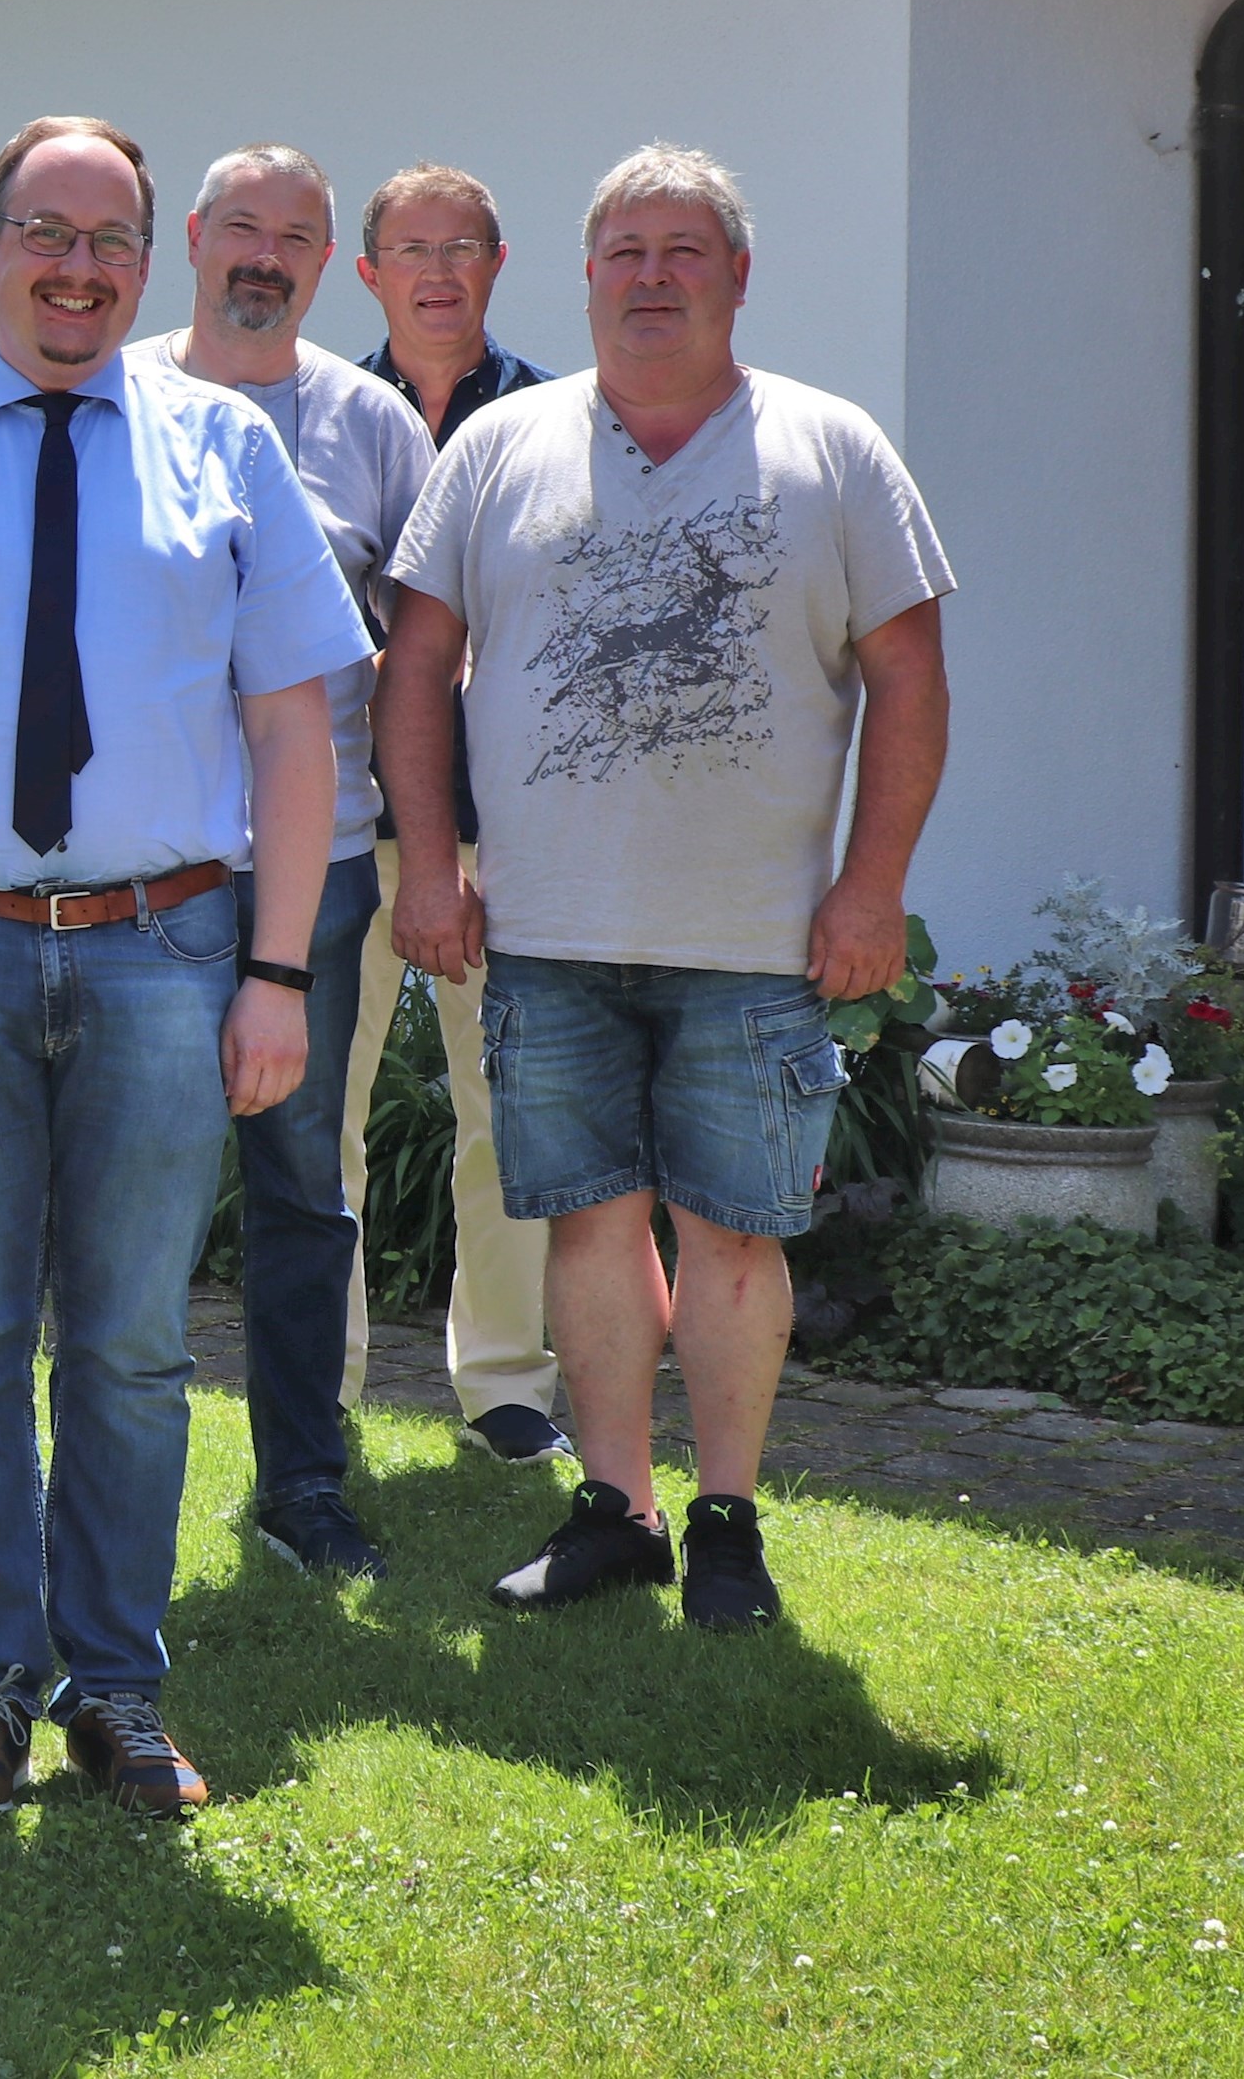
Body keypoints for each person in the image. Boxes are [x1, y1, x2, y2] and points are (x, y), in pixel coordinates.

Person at [0, 114, 366, 1822]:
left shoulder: (227, 453)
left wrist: (275, 972)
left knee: (126, 1346)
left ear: (147, 260)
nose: (78, 270)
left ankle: (116, 1688)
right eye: (46, 234)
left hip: (162, 952)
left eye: (111, 241)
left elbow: (293, 727)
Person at [381, 144, 951, 1630]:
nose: (650, 276)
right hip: (551, 931)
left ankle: (730, 1523)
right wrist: (431, 864)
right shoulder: (500, 449)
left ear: (738, 277)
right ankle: (618, 1513)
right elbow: (420, 663)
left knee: (734, 1233)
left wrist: (870, 883)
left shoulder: (832, 450)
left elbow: (908, 672)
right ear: (584, 277)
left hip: (756, 938)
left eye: (682, 250)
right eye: (623, 250)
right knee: (585, 1224)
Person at [128, 146, 434, 1582]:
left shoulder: (375, 426)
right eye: (240, 226)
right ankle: (95, 1477)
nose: (264, 253)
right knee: (114, 1183)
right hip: (137, 866)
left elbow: (432, 663)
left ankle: (305, 1479)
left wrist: (439, 850)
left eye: (295, 236)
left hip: (319, 873)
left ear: (328, 264)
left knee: (303, 1186)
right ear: (190, 238)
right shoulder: (112, 396)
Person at [348, 162, 568, 1467]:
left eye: (462, 246)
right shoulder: (319, 413)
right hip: (340, 819)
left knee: (515, 1107)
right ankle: (323, 1389)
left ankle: (505, 1384)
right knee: (326, 1114)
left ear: (498, 262)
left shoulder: (559, 417)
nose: (437, 269)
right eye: (409, 248)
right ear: (366, 272)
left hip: (521, 824)